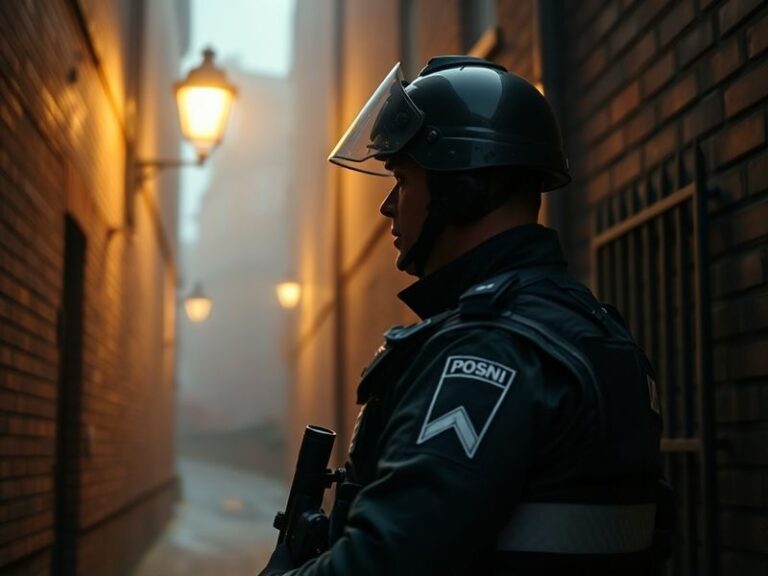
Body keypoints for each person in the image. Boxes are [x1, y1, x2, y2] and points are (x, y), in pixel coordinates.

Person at [260, 55, 664, 576]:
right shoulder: (590, 327)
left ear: (462, 187)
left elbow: (385, 562)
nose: (387, 207)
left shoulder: (487, 349)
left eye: (402, 179)